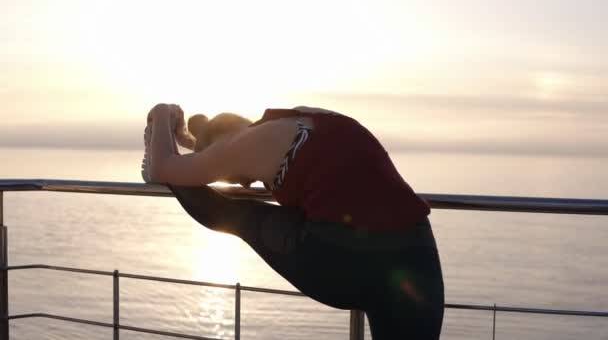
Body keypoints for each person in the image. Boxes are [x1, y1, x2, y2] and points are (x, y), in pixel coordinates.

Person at [142, 103, 444, 339]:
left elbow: (162, 167)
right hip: (416, 261)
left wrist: (162, 115)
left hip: (347, 258)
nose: (247, 186)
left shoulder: (239, 144)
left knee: (235, 214)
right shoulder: (304, 118)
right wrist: (186, 138)